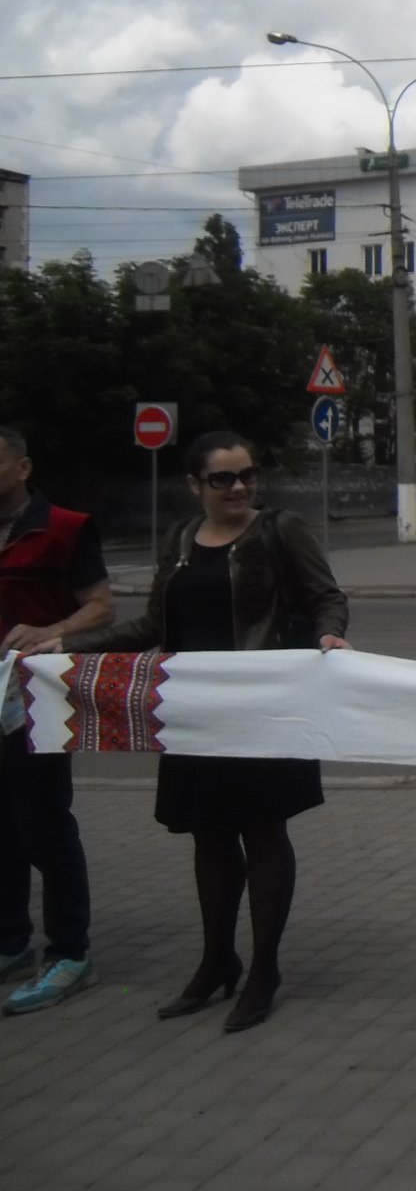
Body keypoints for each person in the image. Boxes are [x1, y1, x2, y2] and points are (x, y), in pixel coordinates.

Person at [52, 430, 348, 1033]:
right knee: (209, 836)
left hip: (265, 706)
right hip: (195, 712)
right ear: (195, 485)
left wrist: (329, 634)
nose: (239, 487)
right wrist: (66, 647)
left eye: (248, 475)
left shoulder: (279, 530)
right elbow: (153, 627)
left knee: (263, 833)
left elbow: (326, 597)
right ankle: (218, 961)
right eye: (223, 478)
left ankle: (264, 970)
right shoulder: (181, 539)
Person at [0, 426, 115, 1015]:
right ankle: (11, 943)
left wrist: (52, 631)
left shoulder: (64, 528)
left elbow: (101, 604)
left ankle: (70, 951)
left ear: (23, 467)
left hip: (36, 698)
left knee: (44, 823)